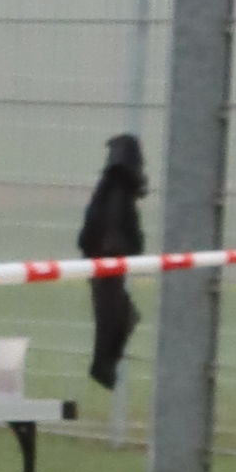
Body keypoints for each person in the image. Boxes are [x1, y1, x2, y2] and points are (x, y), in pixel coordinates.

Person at [78, 127, 149, 417]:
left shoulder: (112, 188)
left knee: (118, 315)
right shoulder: (117, 190)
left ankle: (105, 364)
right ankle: (103, 366)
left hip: (107, 262)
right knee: (115, 315)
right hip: (108, 262)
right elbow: (112, 231)